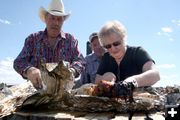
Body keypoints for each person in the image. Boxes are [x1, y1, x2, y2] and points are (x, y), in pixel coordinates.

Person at [13, 0, 85, 89]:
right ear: (45, 19)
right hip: (36, 93)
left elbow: (81, 61)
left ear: (63, 21)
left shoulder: (71, 40)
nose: (56, 23)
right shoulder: (33, 39)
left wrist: (72, 71)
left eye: (59, 19)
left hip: (63, 93)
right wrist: (29, 70)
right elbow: (18, 62)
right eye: (52, 18)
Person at [95, 20, 160, 88]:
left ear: (124, 39)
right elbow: (96, 80)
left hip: (139, 97)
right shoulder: (106, 57)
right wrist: (105, 77)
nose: (113, 49)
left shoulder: (137, 52)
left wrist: (133, 81)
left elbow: (155, 74)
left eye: (116, 43)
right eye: (108, 46)